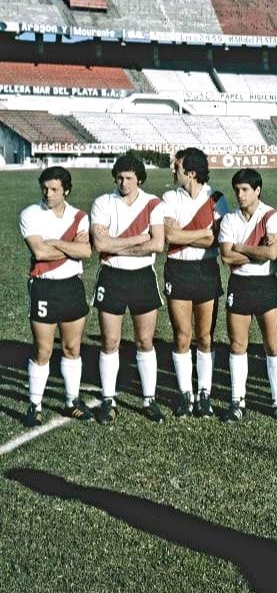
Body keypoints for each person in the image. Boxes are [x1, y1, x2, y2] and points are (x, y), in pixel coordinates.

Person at [90, 153, 165, 424]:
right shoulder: (103, 202)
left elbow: (157, 244)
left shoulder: (152, 203)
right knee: (110, 341)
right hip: (112, 277)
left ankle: (149, 399)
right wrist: (137, 240)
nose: (124, 183)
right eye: (120, 177)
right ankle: (108, 400)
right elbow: (100, 245)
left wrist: (116, 244)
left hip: (142, 277)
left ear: (139, 179)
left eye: (129, 178)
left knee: (145, 341)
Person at [19, 166, 93, 426]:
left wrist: (57, 243)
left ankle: (72, 402)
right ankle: (35, 405)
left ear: (66, 191)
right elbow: (40, 253)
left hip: (71, 286)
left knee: (72, 348)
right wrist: (73, 248)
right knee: (43, 350)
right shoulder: (30, 214)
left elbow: (86, 252)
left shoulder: (79, 216)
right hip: (44, 286)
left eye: (54, 189)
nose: (48, 194)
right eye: (45, 188)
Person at [162, 147, 228, 418]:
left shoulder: (216, 198)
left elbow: (216, 240)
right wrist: (202, 233)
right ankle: (185, 394)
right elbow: (169, 236)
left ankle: (204, 394)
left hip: (205, 269)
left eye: (176, 167)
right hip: (178, 269)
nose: (173, 171)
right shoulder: (169, 197)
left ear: (190, 172)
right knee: (182, 335)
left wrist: (185, 234)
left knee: (204, 336)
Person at [218, 168, 277, 422]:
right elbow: (226, 257)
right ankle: (238, 400)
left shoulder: (271, 216)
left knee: (272, 345)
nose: (240, 194)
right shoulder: (229, 219)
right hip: (240, 284)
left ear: (257, 190)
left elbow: (272, 254)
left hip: (265, 283)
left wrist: (241, 247)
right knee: (238, 344)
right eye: (237, 189)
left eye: (245, 189)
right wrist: (256, 251)